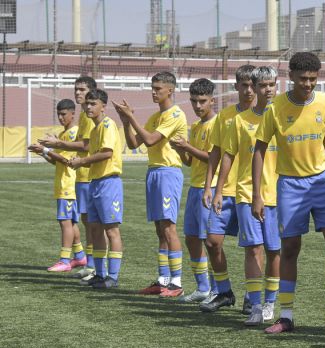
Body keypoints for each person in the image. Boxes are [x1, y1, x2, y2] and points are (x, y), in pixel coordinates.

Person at [252, 52, 325, 334]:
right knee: (290, 247)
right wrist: (257, 195)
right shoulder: (275, 108)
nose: (308, 84)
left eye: (312, 79)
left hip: (322, 181)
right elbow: (259, 149)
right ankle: (285, 315)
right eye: (303, 79)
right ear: (291, 77)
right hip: (290, 185)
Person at [114, 72, 188, 298]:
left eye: (158, 88)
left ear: (170, 90)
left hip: (168, 173)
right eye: (152, 88)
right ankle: (163, 280)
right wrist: (126, 121)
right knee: (159, 229)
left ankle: (176, 282)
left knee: (169, 227)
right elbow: (134, 142)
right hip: (154, 172)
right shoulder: (156, 117)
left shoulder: (175, 114)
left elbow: (150, 140)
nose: (153, 92)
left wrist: (132, 117)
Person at [216, 66, 280, 325]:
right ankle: (254, 305)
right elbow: (228, 155)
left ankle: (270, 302)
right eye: (261, 85)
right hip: (246, 193)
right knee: (253, 249)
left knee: (275, 251)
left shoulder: (282, 116)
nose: (266, 90)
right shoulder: (240, 121)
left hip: (278, 194)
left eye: (271, 85)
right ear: (253, 87)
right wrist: (219, 189)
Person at [199, 64, 256, 312]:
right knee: (212, 241)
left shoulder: (267, 115)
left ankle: (252, 296)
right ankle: (224, 292)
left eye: (253, 85)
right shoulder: (226, 116)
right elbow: (216, 152)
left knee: (252, 246)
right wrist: (209, 186)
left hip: (251, 192)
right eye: (244, 85)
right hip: (225, 191)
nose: (249, 90)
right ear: (236, 87)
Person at [38, 76, 97, 281]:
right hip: (79, 178)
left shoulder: (85, 121)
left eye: (82, 89)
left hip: (82, 180)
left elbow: (84, 148)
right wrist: (47, 151)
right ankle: (86, 261)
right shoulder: (82, 119)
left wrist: (49, 148)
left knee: (85, 223)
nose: (78, 93)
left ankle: (74, 261)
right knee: (84, 221)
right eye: (76, 89)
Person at [69, 89, 125, 290]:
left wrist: (82, 160)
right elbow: (93, 158)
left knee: (111, 230)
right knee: (95, 229)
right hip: (95, 182)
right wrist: (77, 162)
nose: (88, 107)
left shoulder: (108, 125)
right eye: (87, 104)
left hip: (109, 182)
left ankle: (113, 276)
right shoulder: (94, 130)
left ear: (103, 106)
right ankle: (100, 274)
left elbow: (107, 153)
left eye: (93, 104)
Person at [170, 78, 218, 303]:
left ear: (212, 100)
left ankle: (218, 290)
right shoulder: (196, 126)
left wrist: (188, 146)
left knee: (211, 241)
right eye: (193, 101)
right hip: (195, 187)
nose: (197, 106)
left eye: (202, 101)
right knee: (191, 238)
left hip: (211, 188)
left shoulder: (216, 125)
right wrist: (180, 150)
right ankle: (203, 287)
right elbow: (191, 162)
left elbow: (212, 158)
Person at [28, 99, 86, 273]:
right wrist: (44, 154)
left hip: (68, 184)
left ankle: (64, 260)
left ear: (72, 114)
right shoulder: (63, 135)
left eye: (64, 114)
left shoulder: (73, 133)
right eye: (59, 114)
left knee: (65, 222)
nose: (61, 118)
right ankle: (80, 256)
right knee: (70, 222)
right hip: (62, 183)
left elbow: (68, 161)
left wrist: (47, 150)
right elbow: (58, 162)